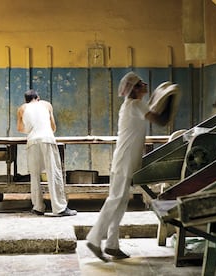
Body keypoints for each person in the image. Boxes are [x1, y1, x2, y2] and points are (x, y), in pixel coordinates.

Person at [86, 72, 169, 261]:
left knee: (121, 203)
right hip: (125, 161)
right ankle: (94, 238)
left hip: (126, 161)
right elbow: (161, 120)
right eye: (141, 83)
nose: (145, 84)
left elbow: (154, 113)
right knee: (115, 200)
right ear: (135, 89)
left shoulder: (133, 105)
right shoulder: (135, 105)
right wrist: (171, 97)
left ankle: (112, 245)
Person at [17, 89, 77, 216]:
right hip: (47, 139)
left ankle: (38, 207)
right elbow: (53, 127)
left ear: (26, 100)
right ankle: (59, 208)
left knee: (34, 175)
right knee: (53, 173)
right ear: (38, 98)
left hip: (32, 142)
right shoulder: (46, 105)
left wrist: (31, 130)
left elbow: (20, 128)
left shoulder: (22, 108)